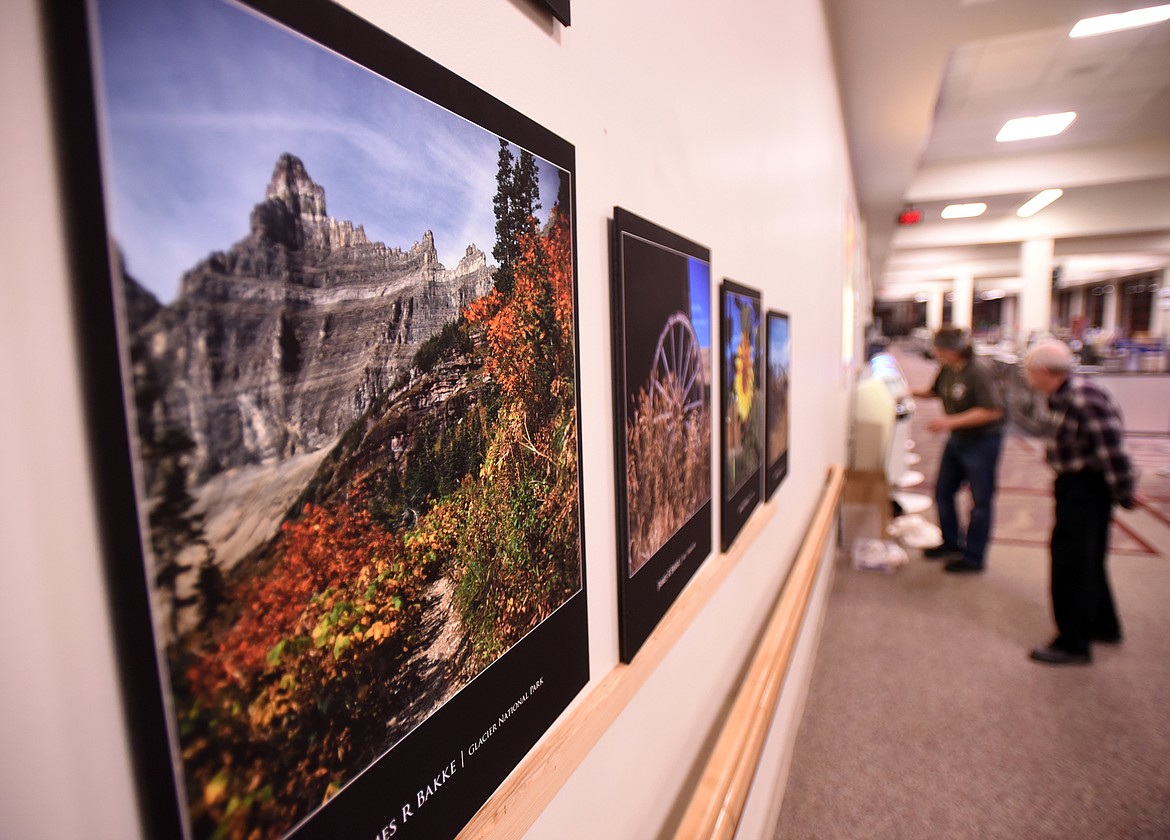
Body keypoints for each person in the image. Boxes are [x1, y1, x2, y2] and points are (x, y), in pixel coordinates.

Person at [1022, 339, 1141, 665]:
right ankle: (1103, 625)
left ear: (1044, 372)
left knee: (1071, 565)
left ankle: (1073, 643)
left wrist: (1125, 491)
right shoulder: (1063, 396)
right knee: (1088, 560)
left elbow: (1111, 449)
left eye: (1030, 371)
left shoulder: (1082, 397)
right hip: (1075, 486)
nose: (1027, 378)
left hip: (1086, 489)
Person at [911, 325, 1005, 573]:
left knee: (980, 501)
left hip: (982, 442)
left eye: (939, 347)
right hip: (958, 440)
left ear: (952, 350)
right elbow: (933, 392)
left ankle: (973, 557)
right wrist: (903, 391)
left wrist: (949, 421)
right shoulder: (948, 369)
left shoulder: (979, 372)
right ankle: (950, 542)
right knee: (943, 491)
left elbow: (992, 410)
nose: (935, 351)